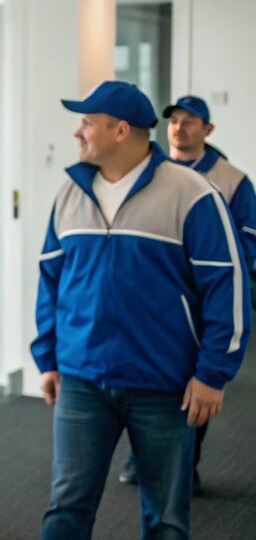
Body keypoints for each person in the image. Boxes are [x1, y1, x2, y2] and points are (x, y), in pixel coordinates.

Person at [31, 81, 250, 539]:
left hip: (164, 383)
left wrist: (213, 373)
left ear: (121, 130)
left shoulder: (192, 193)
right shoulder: (70, 194)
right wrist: (47, 357)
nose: (78, 133)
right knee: (65, 510)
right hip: (82, 378)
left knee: (166, 520)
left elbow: (227, 286)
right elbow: (51, 280)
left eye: (88, 122)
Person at [118, 94, 256, 492]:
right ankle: (137, 454)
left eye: (190, 121)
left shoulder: (232, 180)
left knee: (194, 380)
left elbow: (247, 241)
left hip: (203, 300)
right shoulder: (148, 172)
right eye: (174, 120)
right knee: (143, 376)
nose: (179, 127)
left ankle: (186, 462)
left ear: (208, 130)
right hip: (152, 299)